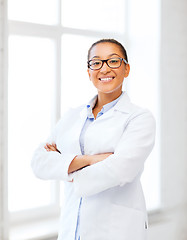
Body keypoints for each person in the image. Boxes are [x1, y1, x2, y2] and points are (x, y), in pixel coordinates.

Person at [31, 39, 156, 240]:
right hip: (72, 229)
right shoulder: (71, 116)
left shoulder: (139, 118)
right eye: (96, 62)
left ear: (126, 69)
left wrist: (65, 166)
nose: (104, 69)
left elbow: (121, 169)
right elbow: (38, 162)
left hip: (115, 231)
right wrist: (89, 161)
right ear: (89, 72)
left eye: (113, 61)